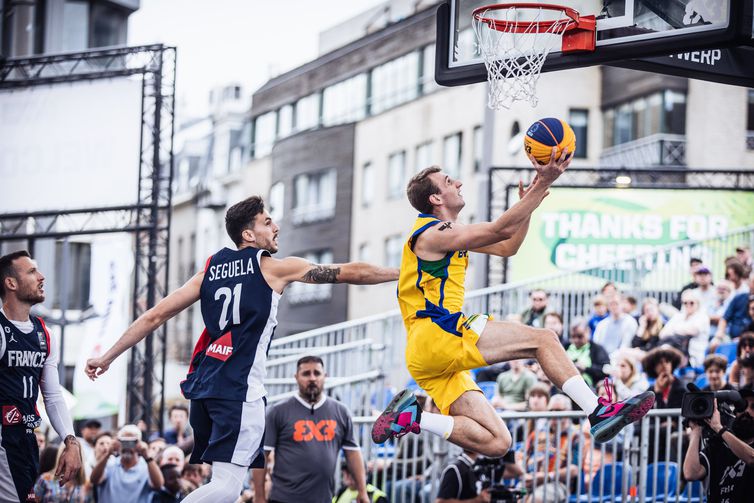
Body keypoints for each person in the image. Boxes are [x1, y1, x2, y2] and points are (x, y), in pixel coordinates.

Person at [85, 196, 397, 503]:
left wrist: (108, 356)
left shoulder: (210, 268)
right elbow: (347, 272)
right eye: (267, 221)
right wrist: (401, 273)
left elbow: (156, 315)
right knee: (228, 488)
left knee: (218, 483)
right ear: (248, 234)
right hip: (240, 390)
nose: (276, 226)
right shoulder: (273, 268)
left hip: (205, 391)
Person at [372, 160, 654, 459]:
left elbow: (508, 245)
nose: (458, 183)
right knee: (543, 339)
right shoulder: (434, 233)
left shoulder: (447, 233)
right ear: (436, 198)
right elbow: (500, 228)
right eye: (449, 181)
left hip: (427, 351)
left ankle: (411, 417)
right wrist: (544, 182)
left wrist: (527, 206)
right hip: (438, 333)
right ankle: (598, 411)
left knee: (497, 442)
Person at [0, 250, 82, 502]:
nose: (42, 277)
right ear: (11, 283)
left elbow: (53, 396)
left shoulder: (44, 333)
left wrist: (71, 441)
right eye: (32, 271)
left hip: (27, 439)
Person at [253, 356, 368, 503]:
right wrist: (259, 497)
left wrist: (362, 491)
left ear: (325, 376)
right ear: (296, 377)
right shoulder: (277, 411)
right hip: (284, 499)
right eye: (306, 374)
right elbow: (261, 457)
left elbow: (353, 453)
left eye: (317, 373)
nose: (312, 378)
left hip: (324, 498)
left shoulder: (341, 411)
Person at [683, 385, 754, 502]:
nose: (747, 411)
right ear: (735, 412)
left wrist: (718, 428)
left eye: (753, 407)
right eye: (743, 406)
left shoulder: (721, 433)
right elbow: (691, 473)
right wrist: (696, 430)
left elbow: (751, 458)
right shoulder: (719, 444)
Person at [522, 395, 580, 503]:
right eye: (551, 410)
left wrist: (547, 476)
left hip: (557, 483)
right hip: (530, 480)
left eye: (558, 410)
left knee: (536, 499)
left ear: (568, 411)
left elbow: (574, 469)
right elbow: (522, 456)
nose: (553, 414)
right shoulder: (537, 433)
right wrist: (524, 474)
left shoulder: (575, 436)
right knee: (514, 496)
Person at [90, 424, 164, 503]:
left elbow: (158, 485)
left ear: (139, 444)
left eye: (132, 442)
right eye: (124, 441)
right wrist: (108, 454)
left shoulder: (147, 467)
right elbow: (94, 480)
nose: (127, 446)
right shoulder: (110, 463)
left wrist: (147, 456)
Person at [435, 449, 522, 503]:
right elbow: (440, 502)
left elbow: (517, 472)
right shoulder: (455, 469)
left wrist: (504, 451)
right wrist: (476, 501)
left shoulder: (483, 464)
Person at [659, 289, 710, 367]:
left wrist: (674, 330)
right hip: (672, 348)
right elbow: (662, 334)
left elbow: (693, 330)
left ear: (697, 303)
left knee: (668, 346)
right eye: (685, 303)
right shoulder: (678, 316)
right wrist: (681, 330)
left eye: (691, 303)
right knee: (665, 347)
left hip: (692, 355)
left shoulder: (702, 317)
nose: (688, 305)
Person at [711, 272, 754, 349]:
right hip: (731, 338)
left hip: (749, 341)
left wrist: (743, 339)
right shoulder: (739, 298)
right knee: (714, 345)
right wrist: (718, 336)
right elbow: (724, 318)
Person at [564, 318, 610, 389]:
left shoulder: (597, 349)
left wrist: (585, 368)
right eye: (573, 336)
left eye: (580, 336)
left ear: (588, 332)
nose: (576, 340)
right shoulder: (565, 346)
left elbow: (605, 370)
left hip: (590, 387)